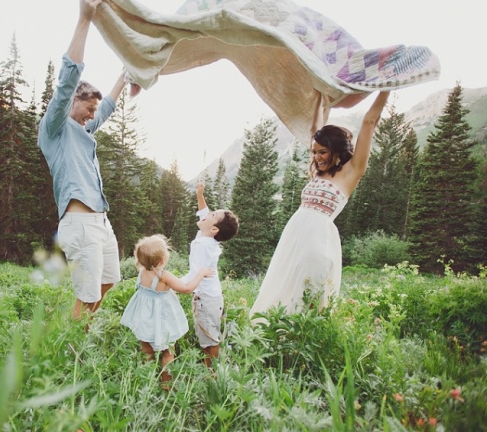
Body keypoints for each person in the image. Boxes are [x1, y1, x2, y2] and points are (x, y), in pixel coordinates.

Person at [249, 91, 390, 320]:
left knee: (310, 287)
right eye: (314, 152)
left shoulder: (352, 172)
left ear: (337, 151)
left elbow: (369, 121)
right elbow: (315, 128)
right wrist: (320, 97)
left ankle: (304, 332)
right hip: (294, 236)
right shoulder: (318, 172)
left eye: (323, 152)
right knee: (284, 283)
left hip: (318, 238)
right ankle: (276, 332)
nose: (316, 157)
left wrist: (386, 87)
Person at [38, 0, 129, 321]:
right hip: (80, 224)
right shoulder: (55, 128)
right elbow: (67, 80)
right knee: (87, 294)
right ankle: (74, 340)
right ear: (74, 100)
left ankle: (81, 328)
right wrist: (84, 20)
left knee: (110, 280)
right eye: (88, 108)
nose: (92, 115)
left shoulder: (84, 129)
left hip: (100, 222)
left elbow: (106, 110)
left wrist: (126, 75)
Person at [120, 235, 215, 388]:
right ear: (163, 260)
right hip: (161, 319)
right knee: (168, 353)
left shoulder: (143, 271)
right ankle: (166, 385)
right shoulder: (164, 276)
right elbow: (186, 288)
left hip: (144, 319)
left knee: (146, 350)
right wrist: (201, 273)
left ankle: (145, 381)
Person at [182, 182, 239, 367]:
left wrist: (172, 284)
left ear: (214, 229)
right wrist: (200, 195)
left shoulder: (204, 247)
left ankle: (212, 373)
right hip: (209, 297)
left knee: (210, 338)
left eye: (213, 215)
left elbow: (194, 274)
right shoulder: (206, 236)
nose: (207, 214)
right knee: (207, 334)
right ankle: (210, 368)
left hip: (205, 299)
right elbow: (203, 213)